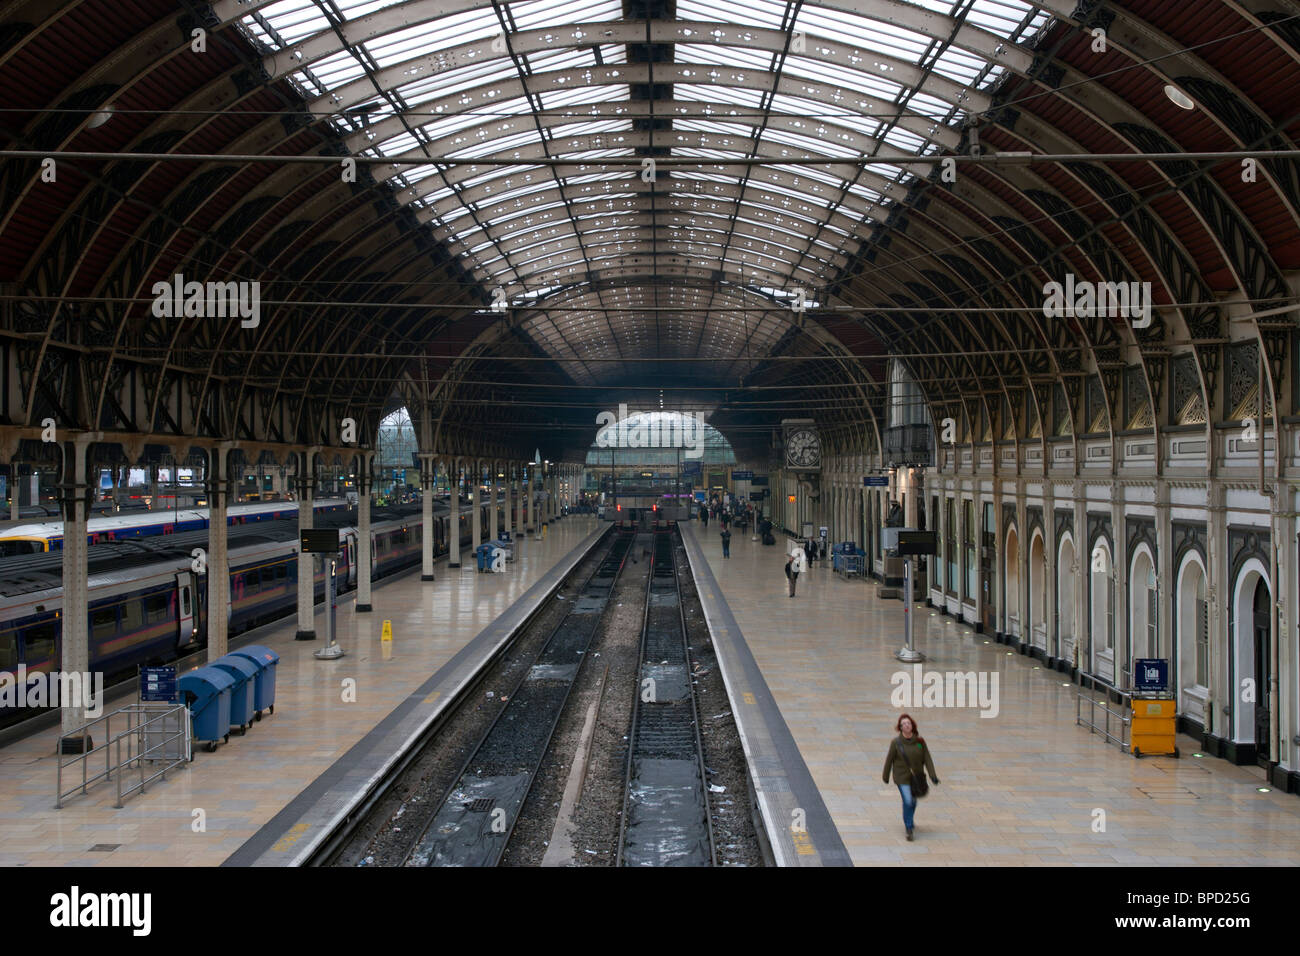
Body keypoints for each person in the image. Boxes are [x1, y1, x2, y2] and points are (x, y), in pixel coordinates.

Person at [881, 713, 940, 841]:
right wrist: (885, 776)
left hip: (916, 777)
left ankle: (910, 820)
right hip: (902, 777)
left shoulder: (920, 742)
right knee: (908, 800)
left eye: (908, 723)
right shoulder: (896, 743)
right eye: (904, 724)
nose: (907, 726)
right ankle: (908, 827)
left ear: (912, 725)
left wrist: (933, 776)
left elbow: (927, 759)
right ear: (900, 728)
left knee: (913, 801)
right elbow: (889, 760)